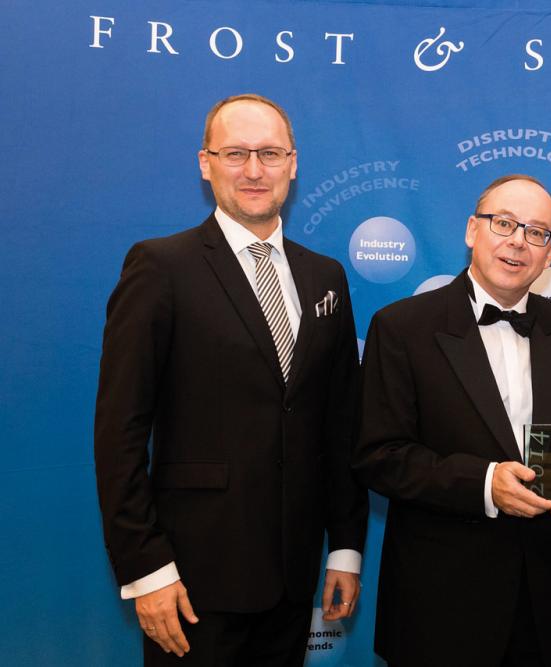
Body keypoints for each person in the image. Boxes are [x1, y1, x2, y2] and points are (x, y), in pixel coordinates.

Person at [94, 93, 369, 665]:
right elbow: (119, 432)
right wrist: (147, 568)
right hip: (191, 580)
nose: (253, 170)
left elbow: (340, 423)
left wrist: (345, 546)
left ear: (292, 163)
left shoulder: (326, 277)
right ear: (206, 163)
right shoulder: (160, 267)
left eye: (269, 153)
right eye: (235, 153)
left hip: (292, 577)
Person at [353, 174, 551, 666]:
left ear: (550, 253)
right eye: (504, 223)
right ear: (473, 230)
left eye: (537, 232)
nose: (518, 241)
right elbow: (379, 455)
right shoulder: (402, 327)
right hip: (439, 603)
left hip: (545, 601)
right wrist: (485, 483)